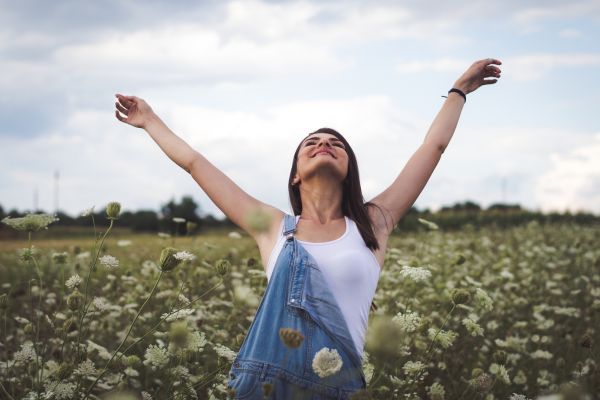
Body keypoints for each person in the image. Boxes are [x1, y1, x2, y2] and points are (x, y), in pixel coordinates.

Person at [115, 57, 502, 398]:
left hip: (340, 387)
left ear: (349, 167)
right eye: (311, 143)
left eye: (336, 143)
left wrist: (458, 90)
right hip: (263, 387)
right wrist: (149, 120)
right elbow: (196, 163)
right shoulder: (272, 228)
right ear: (296, 176)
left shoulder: (373, 224)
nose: (324, 144)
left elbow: (431, 148)